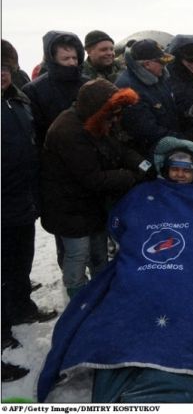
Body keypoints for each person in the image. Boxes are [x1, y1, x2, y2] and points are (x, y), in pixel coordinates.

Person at [37, 137, 193, 403]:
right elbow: (123, 225)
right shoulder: (145, 193)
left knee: (192, 304)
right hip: (145, 270)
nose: (180, 174)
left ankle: (168, 374)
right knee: (126, 306)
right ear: (165, 169)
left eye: (186, 170)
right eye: (175, 169)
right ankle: (119, 361)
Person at [40, 79, 152, 298]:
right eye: (112, 115)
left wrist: (144, 165)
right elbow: (93, 178)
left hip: (91, 204)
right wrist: (132, 176)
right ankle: (78, 299)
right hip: (67, 207)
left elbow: (119, 149)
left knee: (99, 254)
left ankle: (101, 295)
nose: (115, 120)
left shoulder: (102, 121)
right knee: (78, 255)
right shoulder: (68, 131)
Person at [2, 53, 57, 365]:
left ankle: (21, 308)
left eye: (4, 67)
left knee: (21, 260)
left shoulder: (19, 101)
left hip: (22, 197)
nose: (1, 74)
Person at [22, 30, 89, 148]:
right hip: (54, 150)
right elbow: (36, 131)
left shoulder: (88, 83)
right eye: (66, 58)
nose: (72, 62)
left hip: (87, 147)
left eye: (74, 58)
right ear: (53, 59)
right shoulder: (34, 90)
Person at [115, 38, 181, 157]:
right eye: (161, 62)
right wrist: (181, 140)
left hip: (169, 143)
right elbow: (146, 131)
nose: (164, 66)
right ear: (147, 64)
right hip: (148, 152)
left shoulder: (160, 78)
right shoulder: (129, 89)